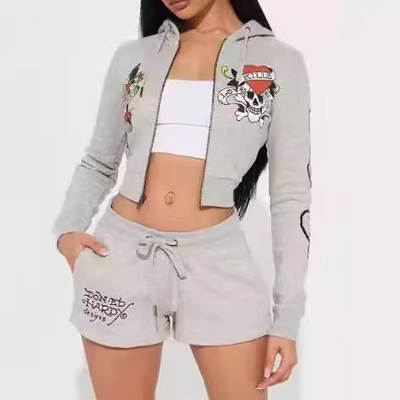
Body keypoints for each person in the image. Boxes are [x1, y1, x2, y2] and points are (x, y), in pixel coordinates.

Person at [52, 0, 312, 398]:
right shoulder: (135, 57)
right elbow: (99, 161)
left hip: (218, 263)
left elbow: (291, 195)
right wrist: (68, 232)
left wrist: (287, 318)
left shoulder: (278, 63)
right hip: (121, 257)